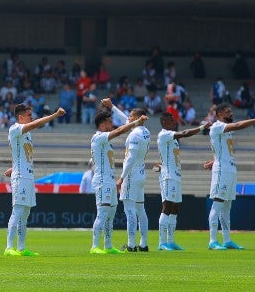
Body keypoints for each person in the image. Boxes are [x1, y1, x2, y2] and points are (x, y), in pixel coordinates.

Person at [203, 104, 255, 250]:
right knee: (218, 203)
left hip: (230, 169)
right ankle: (212, 240)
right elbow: (239, 125)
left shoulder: (226, 131)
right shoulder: (217, 126)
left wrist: (214, 160)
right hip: (222, 170)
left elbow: (221, 150)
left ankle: (227, 240)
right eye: (228, 112)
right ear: (220, 114)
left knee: (227, 206)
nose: (231, 113)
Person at [3, 104, 66, 256]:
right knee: (17, 211)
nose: (32, 117)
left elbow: (21, 154)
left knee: (25, 213)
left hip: (28, 175)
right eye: (29, 115)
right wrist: (54, 115)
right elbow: (37, 124)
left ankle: (21, 248)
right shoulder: (15, 128)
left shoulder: (27, 135)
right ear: (21, 117)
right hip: (21, 177)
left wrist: (13, 166)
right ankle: (9, 247)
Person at [89, 110, 147, 254]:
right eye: (109, 121)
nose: (112, 124)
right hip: (102, 180)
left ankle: (108, 246)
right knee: (102, 213)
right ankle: (95, 246)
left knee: (111, 214)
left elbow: (122, 128)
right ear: (102, 124)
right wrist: (136, 122)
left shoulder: (105, 140)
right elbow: (120, 130)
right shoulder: (98, 137)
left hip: (109, 179)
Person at [156, 112, 208, 251]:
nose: (174, 121)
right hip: (168, 176)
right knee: (166, 207)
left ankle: (171, 241)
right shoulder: (164, 134)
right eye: (171, 119)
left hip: (176, 175)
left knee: (175, 208)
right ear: (165, 121)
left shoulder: (172, 138)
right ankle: (162, 243)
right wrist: (202, 127)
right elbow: (185, 133)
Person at [114, 107, 152, 252]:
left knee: (129, 210)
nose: (128, 118)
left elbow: (130, 158)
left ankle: (131, 244)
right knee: (141, 210)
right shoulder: (145, 132)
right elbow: (126, 120)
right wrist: (112, 107)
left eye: (131, 116)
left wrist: (122, 178)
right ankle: (143, 243)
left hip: (132, 174)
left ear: (137, 118)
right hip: (141, 174)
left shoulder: (134, 135)